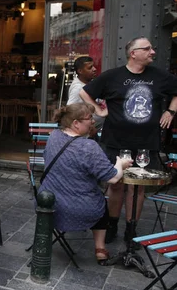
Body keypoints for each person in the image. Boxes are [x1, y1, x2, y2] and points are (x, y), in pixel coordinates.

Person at [80, 37, 177, 244]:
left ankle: (131, 229)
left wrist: (171, 111)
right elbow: (84, 93)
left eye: (152, 48)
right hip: (116, 141)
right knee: (116, 185)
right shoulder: (112, 76)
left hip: (146, 143)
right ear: (134, 53)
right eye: (147, 49)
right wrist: (98, 109)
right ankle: (112, 225)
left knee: (137, 187)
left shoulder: (159, 76)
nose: (152, 52)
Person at [38, 103, 133, 264]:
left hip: (47, 204)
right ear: (76, 123)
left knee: (93, 197)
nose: (93, 121)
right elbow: (113, 178)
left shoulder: (54, 136)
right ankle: (100, 249)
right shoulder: (89, 147)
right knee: (101, 203)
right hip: (79, 208)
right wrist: (120, 164)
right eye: (89, 118)